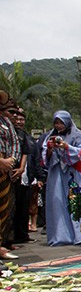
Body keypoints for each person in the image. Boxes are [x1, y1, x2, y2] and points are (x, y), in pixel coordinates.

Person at [42, 110, 81, 246]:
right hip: (56, 173)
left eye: (61, 123)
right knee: (57, 202)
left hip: (73, 173)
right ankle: (60, 235)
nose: (59, 126)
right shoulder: (50, 136)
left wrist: (66, 147)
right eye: (56, 123)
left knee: (76, 201)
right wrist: (50, 149)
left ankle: (80, 235)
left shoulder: (78, 135)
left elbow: (80, 152)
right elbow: (44, 157)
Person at [10, 106, 41, 245]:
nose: (18, 121)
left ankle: (23, 235)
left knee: (24, 207)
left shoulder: (27, 138)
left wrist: (39, 177)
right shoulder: (9, 134)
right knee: (13, 208)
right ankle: (10, 238)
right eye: (16, 118)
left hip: (26, 176)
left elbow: (32, 157)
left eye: (21, 119)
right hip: (12, 174)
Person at [0, 92, 22, 258]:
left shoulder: (6, 122)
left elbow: (15, 143)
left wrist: (11, 160)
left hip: (5, 170)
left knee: (4, 208)